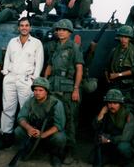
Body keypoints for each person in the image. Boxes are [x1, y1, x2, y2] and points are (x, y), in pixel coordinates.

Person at [0, 17, 44, 148]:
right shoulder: (12, 42)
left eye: (27, 25)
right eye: (22, 25)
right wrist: (6, 73)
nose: (24, 27)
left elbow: (39, 62)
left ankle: (26, 138)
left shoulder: (36, 43)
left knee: (26, 108)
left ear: (30, 27)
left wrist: (33, 79)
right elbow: (7, 58)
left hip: (26, 80)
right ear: (18, 27)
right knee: (7, 108)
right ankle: (6, 137)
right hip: (11, 78)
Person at [44, 19, 84, 163]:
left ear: (69, 32)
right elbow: (49, 66)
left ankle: (69, 150)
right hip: (53, 86)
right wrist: (43, 82)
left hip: (67, 88)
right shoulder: (54, 47)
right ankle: (55, 148)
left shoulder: (74, 47)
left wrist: (76, 89)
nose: (60, 32)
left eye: (64, 30)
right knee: (53, 117)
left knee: (70, 120)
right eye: (59, 29)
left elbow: (79, 69)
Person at [14, 77, 66, 167]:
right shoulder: (30, 101)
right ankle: (29, 148)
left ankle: (55, 155)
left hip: (49, 133)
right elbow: (21, 117)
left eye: (41, 90)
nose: (37, 93)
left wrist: (43, 134)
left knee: (60, 137)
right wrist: (29, 128)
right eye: (35, 90)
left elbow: (59, 125)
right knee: (18, 131)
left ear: (46, 91)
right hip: (34, 132)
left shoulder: (56, 103)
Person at [92, 89, 134, 167]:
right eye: (109, 103)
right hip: (111, 141)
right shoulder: (106, 112)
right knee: (93, 159)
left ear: (120, 104)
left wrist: (109, 140)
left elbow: (126, 137)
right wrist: (100, 115)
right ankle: (112, 158)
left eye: (115, 103)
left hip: (123, 141)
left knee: (123, 147)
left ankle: (128, 161)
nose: (111, 106)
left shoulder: (128, 114)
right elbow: (95, 128)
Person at [105, 25, 134, 101]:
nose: (123, 39)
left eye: (126, 37)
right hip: (114, 84)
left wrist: (118, 75)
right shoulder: (114, 51)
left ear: (129, 38)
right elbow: (106, 67)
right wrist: (108, 78)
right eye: (121, 37)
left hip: (127, 86)